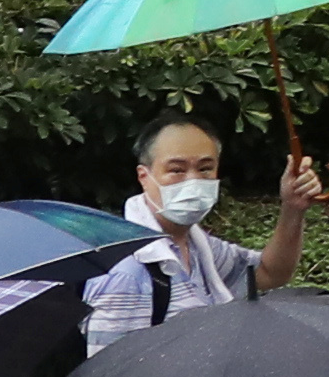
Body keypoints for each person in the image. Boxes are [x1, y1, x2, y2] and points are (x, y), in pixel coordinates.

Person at [83, 113, 297, 348]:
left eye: (205, 169)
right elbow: (108, 374)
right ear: (144, 177)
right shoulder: (127, 273)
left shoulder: (198, 247)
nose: (193, 180)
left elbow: (268, 273)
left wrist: (293, 208)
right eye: (177, 170)